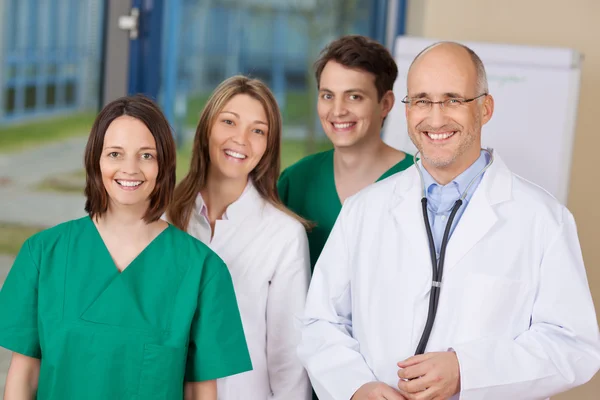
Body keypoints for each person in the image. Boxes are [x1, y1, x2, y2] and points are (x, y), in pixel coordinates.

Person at [297, 42, 600, 400]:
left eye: (453, 99)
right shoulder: (363, 210)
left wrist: (467, 371)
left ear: (484, 109)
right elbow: (321, 322)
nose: (436, 118)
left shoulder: (543, 219)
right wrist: (355, 387)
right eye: (422, 100)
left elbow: (573, 346)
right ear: (406, 110)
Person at [0, 95, 252, 400]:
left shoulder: (202, 271)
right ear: (96, 160)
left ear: (164, 164)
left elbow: (200, 391)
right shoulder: (42, 256)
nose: (129, 168)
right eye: (115, 154)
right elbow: (24, 378)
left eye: (146, 155)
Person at [166, 76, 312, 400]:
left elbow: (289, 362)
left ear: (268, 146)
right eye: (229, 122)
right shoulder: (164, 219)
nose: (241, 139)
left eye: (257, 130)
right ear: (206, 129)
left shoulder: (284, 235)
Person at [278, 35, 414, 270]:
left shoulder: (418, 182)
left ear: (386, 104)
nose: (338, 111)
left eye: (354, 97)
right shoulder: (295, 181)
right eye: (328, 96)